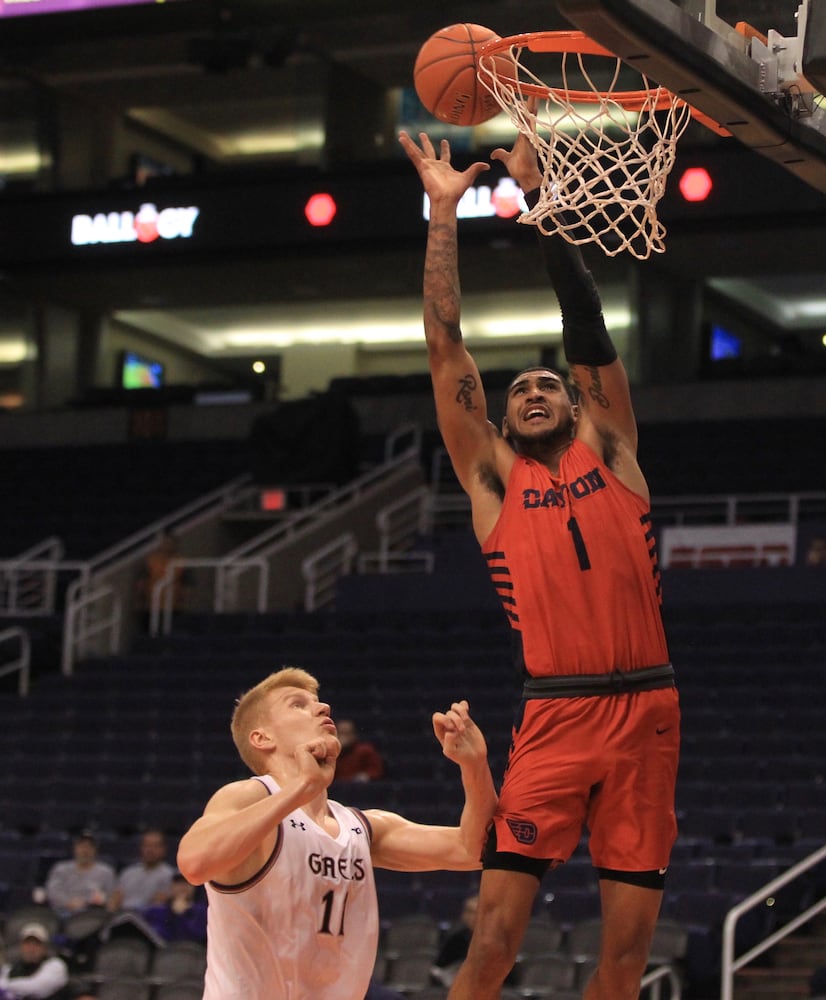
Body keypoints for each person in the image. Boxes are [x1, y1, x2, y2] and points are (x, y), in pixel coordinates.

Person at [400, 126, 680, 1000]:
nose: (529, 391)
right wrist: (444, 212)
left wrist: (544, 206)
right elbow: (447, 347)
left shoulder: (614, 451)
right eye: (517, 389)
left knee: (627, 955)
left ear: (577, 403)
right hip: (554, 718)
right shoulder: (491, 480)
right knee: (491, 940)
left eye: (546, 385)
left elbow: (585, 323)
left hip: (646, 708)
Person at [175, 666, 496, 1000]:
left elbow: (473, 850)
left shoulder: (360, 826)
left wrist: (474, 767)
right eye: (297, 704)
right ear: (263, 738)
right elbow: (194, 862)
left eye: (318, 701)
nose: (322, 708)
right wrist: (299, 788)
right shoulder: (249, 797)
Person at [44, 831, 116, 920]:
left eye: (89, 847)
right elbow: (52, 892)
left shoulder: (106, 872)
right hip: (64, 912)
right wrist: (68, 903)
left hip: (93, 914)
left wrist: (102, 900)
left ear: (95, 850)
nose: (85, 851)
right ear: (75, 849)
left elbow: (112, 897)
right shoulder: (60, 869)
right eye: (81, 846)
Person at [134, 531, 194, 631]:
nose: (166, 545)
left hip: (174, 608)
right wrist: (139, 600)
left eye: (169, 543)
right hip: (152, 606)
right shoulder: (151, 561)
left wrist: (185, 600)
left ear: (174, 544)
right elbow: (141, 582)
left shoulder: (181, 562)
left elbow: (188, 585)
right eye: (164, 543)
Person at [0, 921, 71, 1000]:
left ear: (45, 947)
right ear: (21, 946)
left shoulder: (56, 965)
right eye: (27, 943)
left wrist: (6, 987)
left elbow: (36, 987)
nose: (31, 949)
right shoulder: (10, 969)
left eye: (36, 944)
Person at [108, 828, 174, 912]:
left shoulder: (169, 875)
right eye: (146, 845)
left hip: (148, 919)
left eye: (155, 846)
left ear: (163, 849)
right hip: (123, 916)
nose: (150, 850)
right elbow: (115, 898)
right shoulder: (128, 872)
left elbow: (159, 903)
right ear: (141, 848)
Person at [140, 871, 208, 944]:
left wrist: (181, 915)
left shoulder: (202, 911)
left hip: (191, 952)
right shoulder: (158, 910)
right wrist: (173, 913)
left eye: (187, 882)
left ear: (194, 887)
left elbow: (198, 937)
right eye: (178, 883)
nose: (182, 886)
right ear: (171, 887)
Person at [432, 894, 479, 987]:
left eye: (476, 912)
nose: (472, 917)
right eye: (469, 912)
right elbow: (437, 969)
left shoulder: (497, 941)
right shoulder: (455, 940)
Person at [333, 718, 385, 783]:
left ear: (354, 735)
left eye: (347, 733)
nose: (344, 737)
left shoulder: (365, 750)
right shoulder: (330, 753)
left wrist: (365, 776)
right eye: (341, 733)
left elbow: (377, 770)